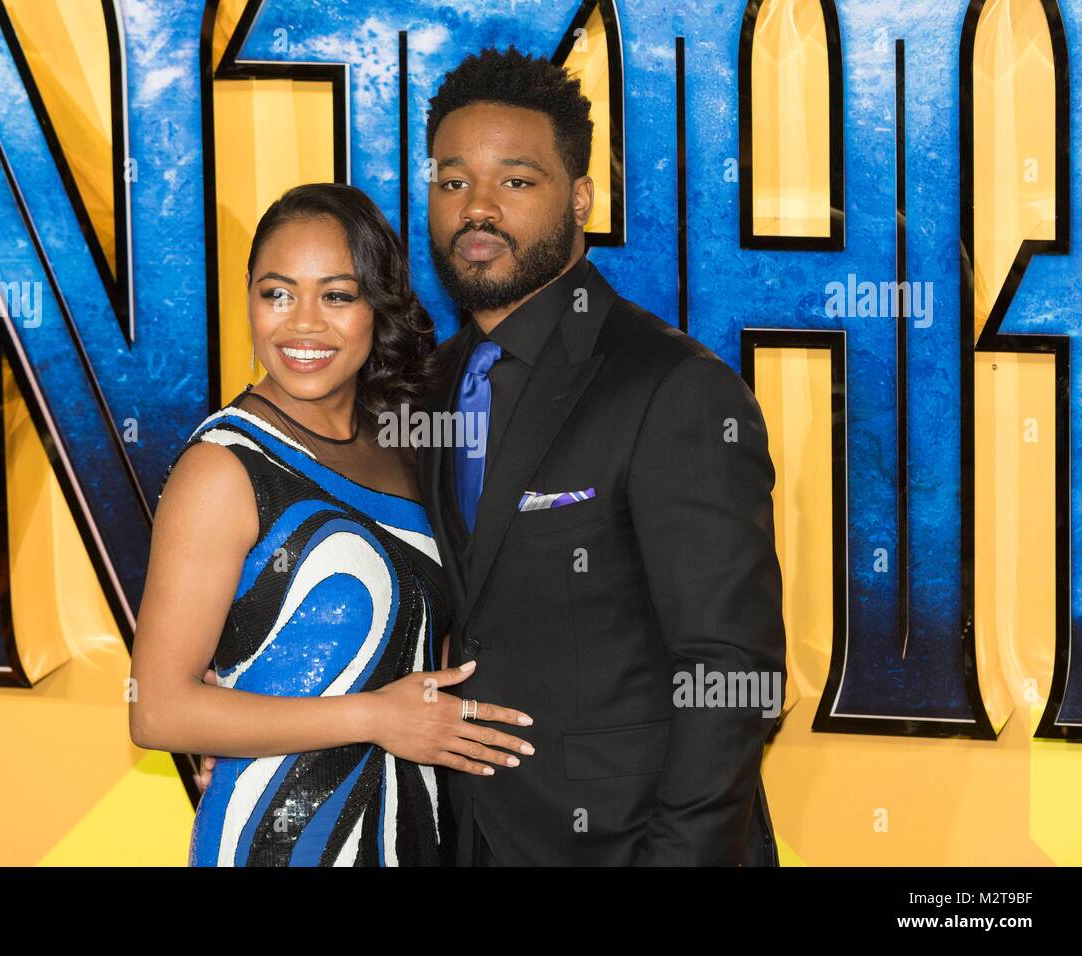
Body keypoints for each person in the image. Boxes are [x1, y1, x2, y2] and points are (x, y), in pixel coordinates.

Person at [418, 47, 787, 865]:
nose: (477, 208)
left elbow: (731, 674)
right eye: (452, 181)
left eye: (515, 180)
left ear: (580, 198)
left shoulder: (674, 387)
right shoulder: (429, 386)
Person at [128, 183, 534, 866]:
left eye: (337, 296)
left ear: (378, 305)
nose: (302, 325)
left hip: (414, 835)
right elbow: (158, 710)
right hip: (278, 841)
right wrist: (373, 717)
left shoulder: (404, 446)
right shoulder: (224, 468)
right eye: (277, 293)